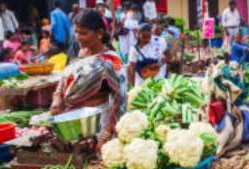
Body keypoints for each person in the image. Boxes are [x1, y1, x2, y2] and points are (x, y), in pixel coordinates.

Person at [50, 9, 126, 146]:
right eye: (76, 32)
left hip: (96, 123)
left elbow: (120, 99)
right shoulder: (79, 51)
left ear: (99, 34)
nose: (78, 37)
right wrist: (57, 98)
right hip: (70, 120)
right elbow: (65, 75)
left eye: (83, 33)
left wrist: (108, 131)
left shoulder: (111, 61)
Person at [128, 23, 169, 87]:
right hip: (141, 83)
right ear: (138, 35)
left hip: (157, 81)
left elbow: (169, 55)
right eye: (144, 37)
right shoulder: (134, 49)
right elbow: (132, 69)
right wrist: (133, 87)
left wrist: (159, 64)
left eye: (149, 37)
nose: (147, 39)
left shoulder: (158, 42)